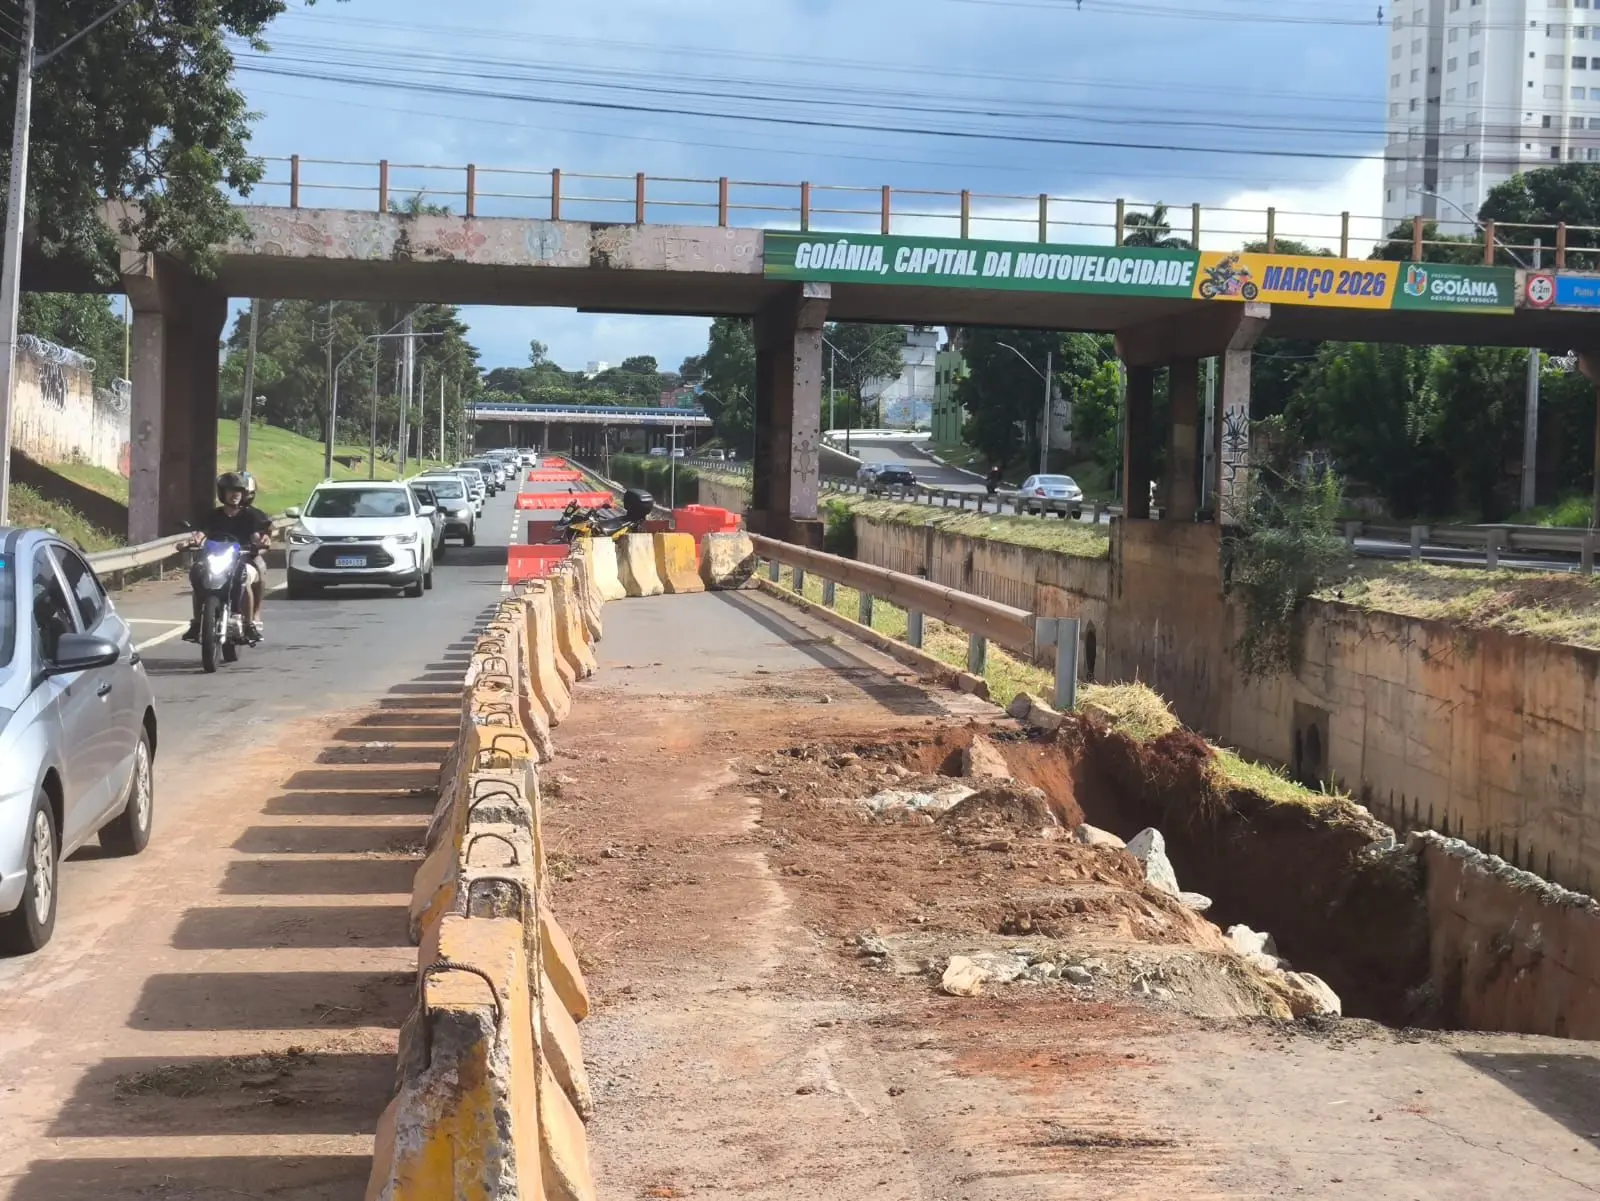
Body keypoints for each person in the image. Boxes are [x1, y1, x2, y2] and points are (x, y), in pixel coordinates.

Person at [183, 471, 272, 643]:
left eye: (238, 490)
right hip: (215, 559)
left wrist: (261, 542)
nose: (235, 494)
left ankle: (249, 625)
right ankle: (197, 623)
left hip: (241, 559)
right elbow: (202, 533)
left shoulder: (250, 515)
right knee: (198, 575)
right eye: (230, 490)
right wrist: (193, 540)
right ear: (222, 493)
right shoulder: (213, 515)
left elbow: (256, 535)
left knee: (244, 578)